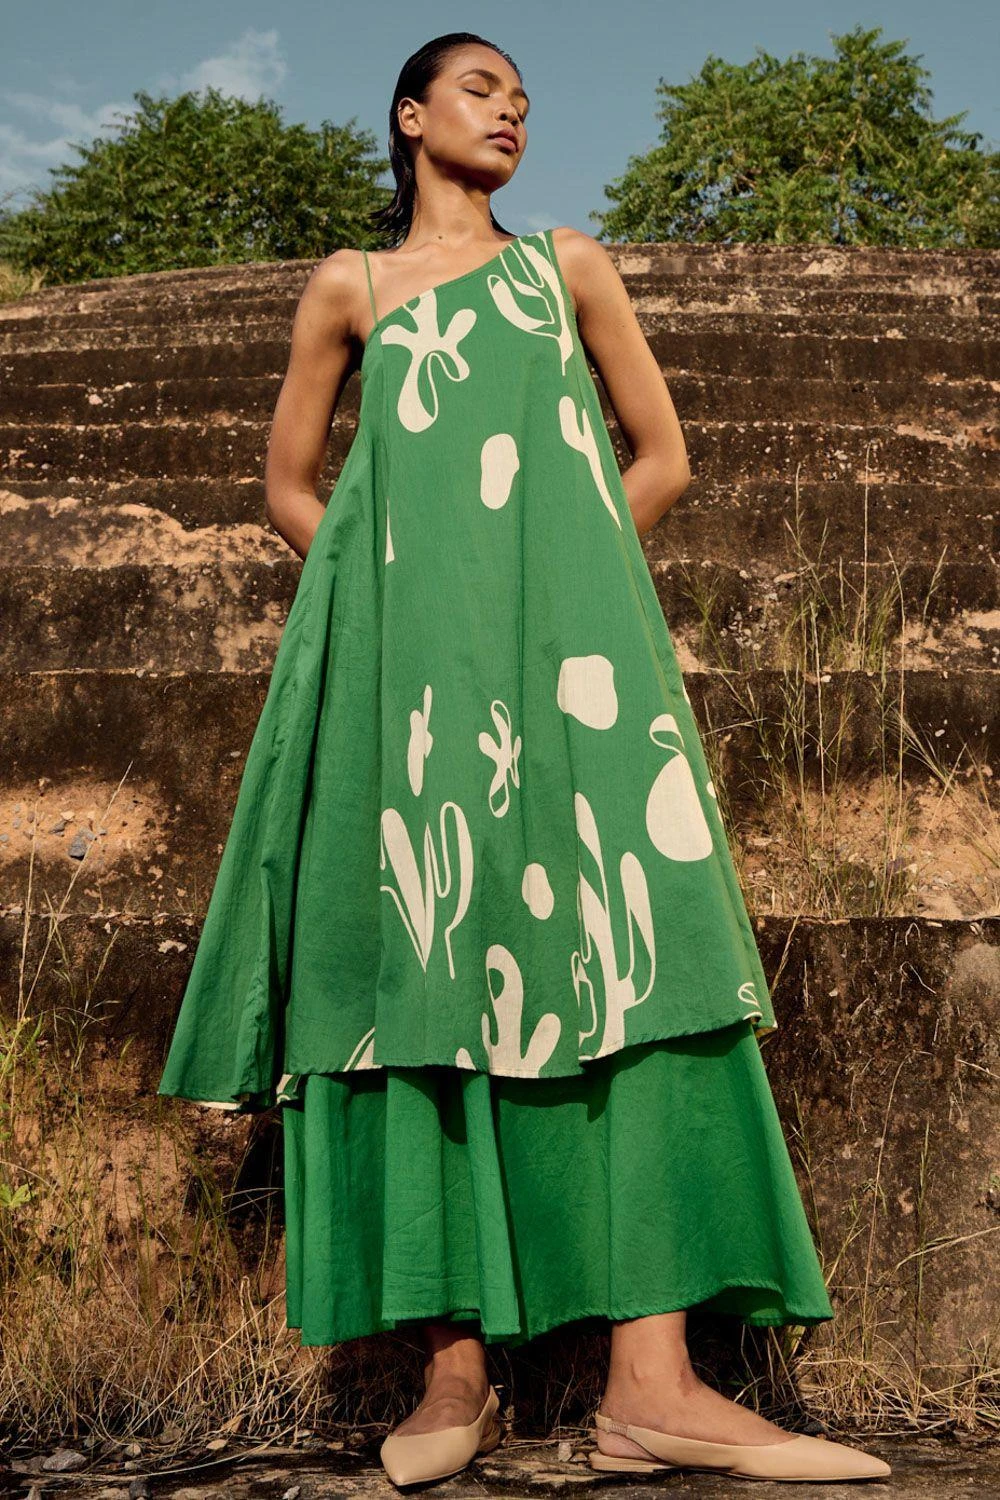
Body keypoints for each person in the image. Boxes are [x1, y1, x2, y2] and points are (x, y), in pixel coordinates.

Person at [156, 31, 891, 1489]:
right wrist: (398, 605)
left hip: (575, 671)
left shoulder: (568, 267)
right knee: (429, 959)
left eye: (525, 100)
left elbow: (660, 458)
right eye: (481, 90)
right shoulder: (350, 289)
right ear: (410, 115)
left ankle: (654, 1386)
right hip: (415, 693)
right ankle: (452, 1376)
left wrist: (555, 585)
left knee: (639, 951)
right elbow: (290, 488)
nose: (512, 112)